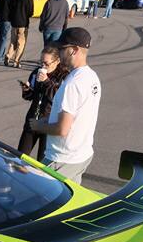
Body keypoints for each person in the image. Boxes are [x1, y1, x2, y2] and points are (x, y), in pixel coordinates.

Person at [29, 28, 100, 184]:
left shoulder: (72, 84)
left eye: (62, 49)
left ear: (74, 50)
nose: (59, 52)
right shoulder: (92, 77)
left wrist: (39, 125)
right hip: (82, 154)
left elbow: (62, 129)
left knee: (44, 200)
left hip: (62, 159)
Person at [17, 45, 68, 160]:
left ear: (57, 61)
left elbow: (58, 98)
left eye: (46, 63)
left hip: (49, 122)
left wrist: (46, 81)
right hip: (32, 119)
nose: (43, 66)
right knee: (20, 157)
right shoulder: (36, 73)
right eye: (41, 62)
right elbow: (30, 96)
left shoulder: (64, 76)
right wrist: (26, 90)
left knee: (42, 162)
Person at [5, 0, 33, 68]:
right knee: (21, 43)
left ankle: (8, 55)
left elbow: (11, 9)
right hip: (23, 24)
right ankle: (16, 61)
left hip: (14, 23)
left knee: (13, 41)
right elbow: (30, 12)